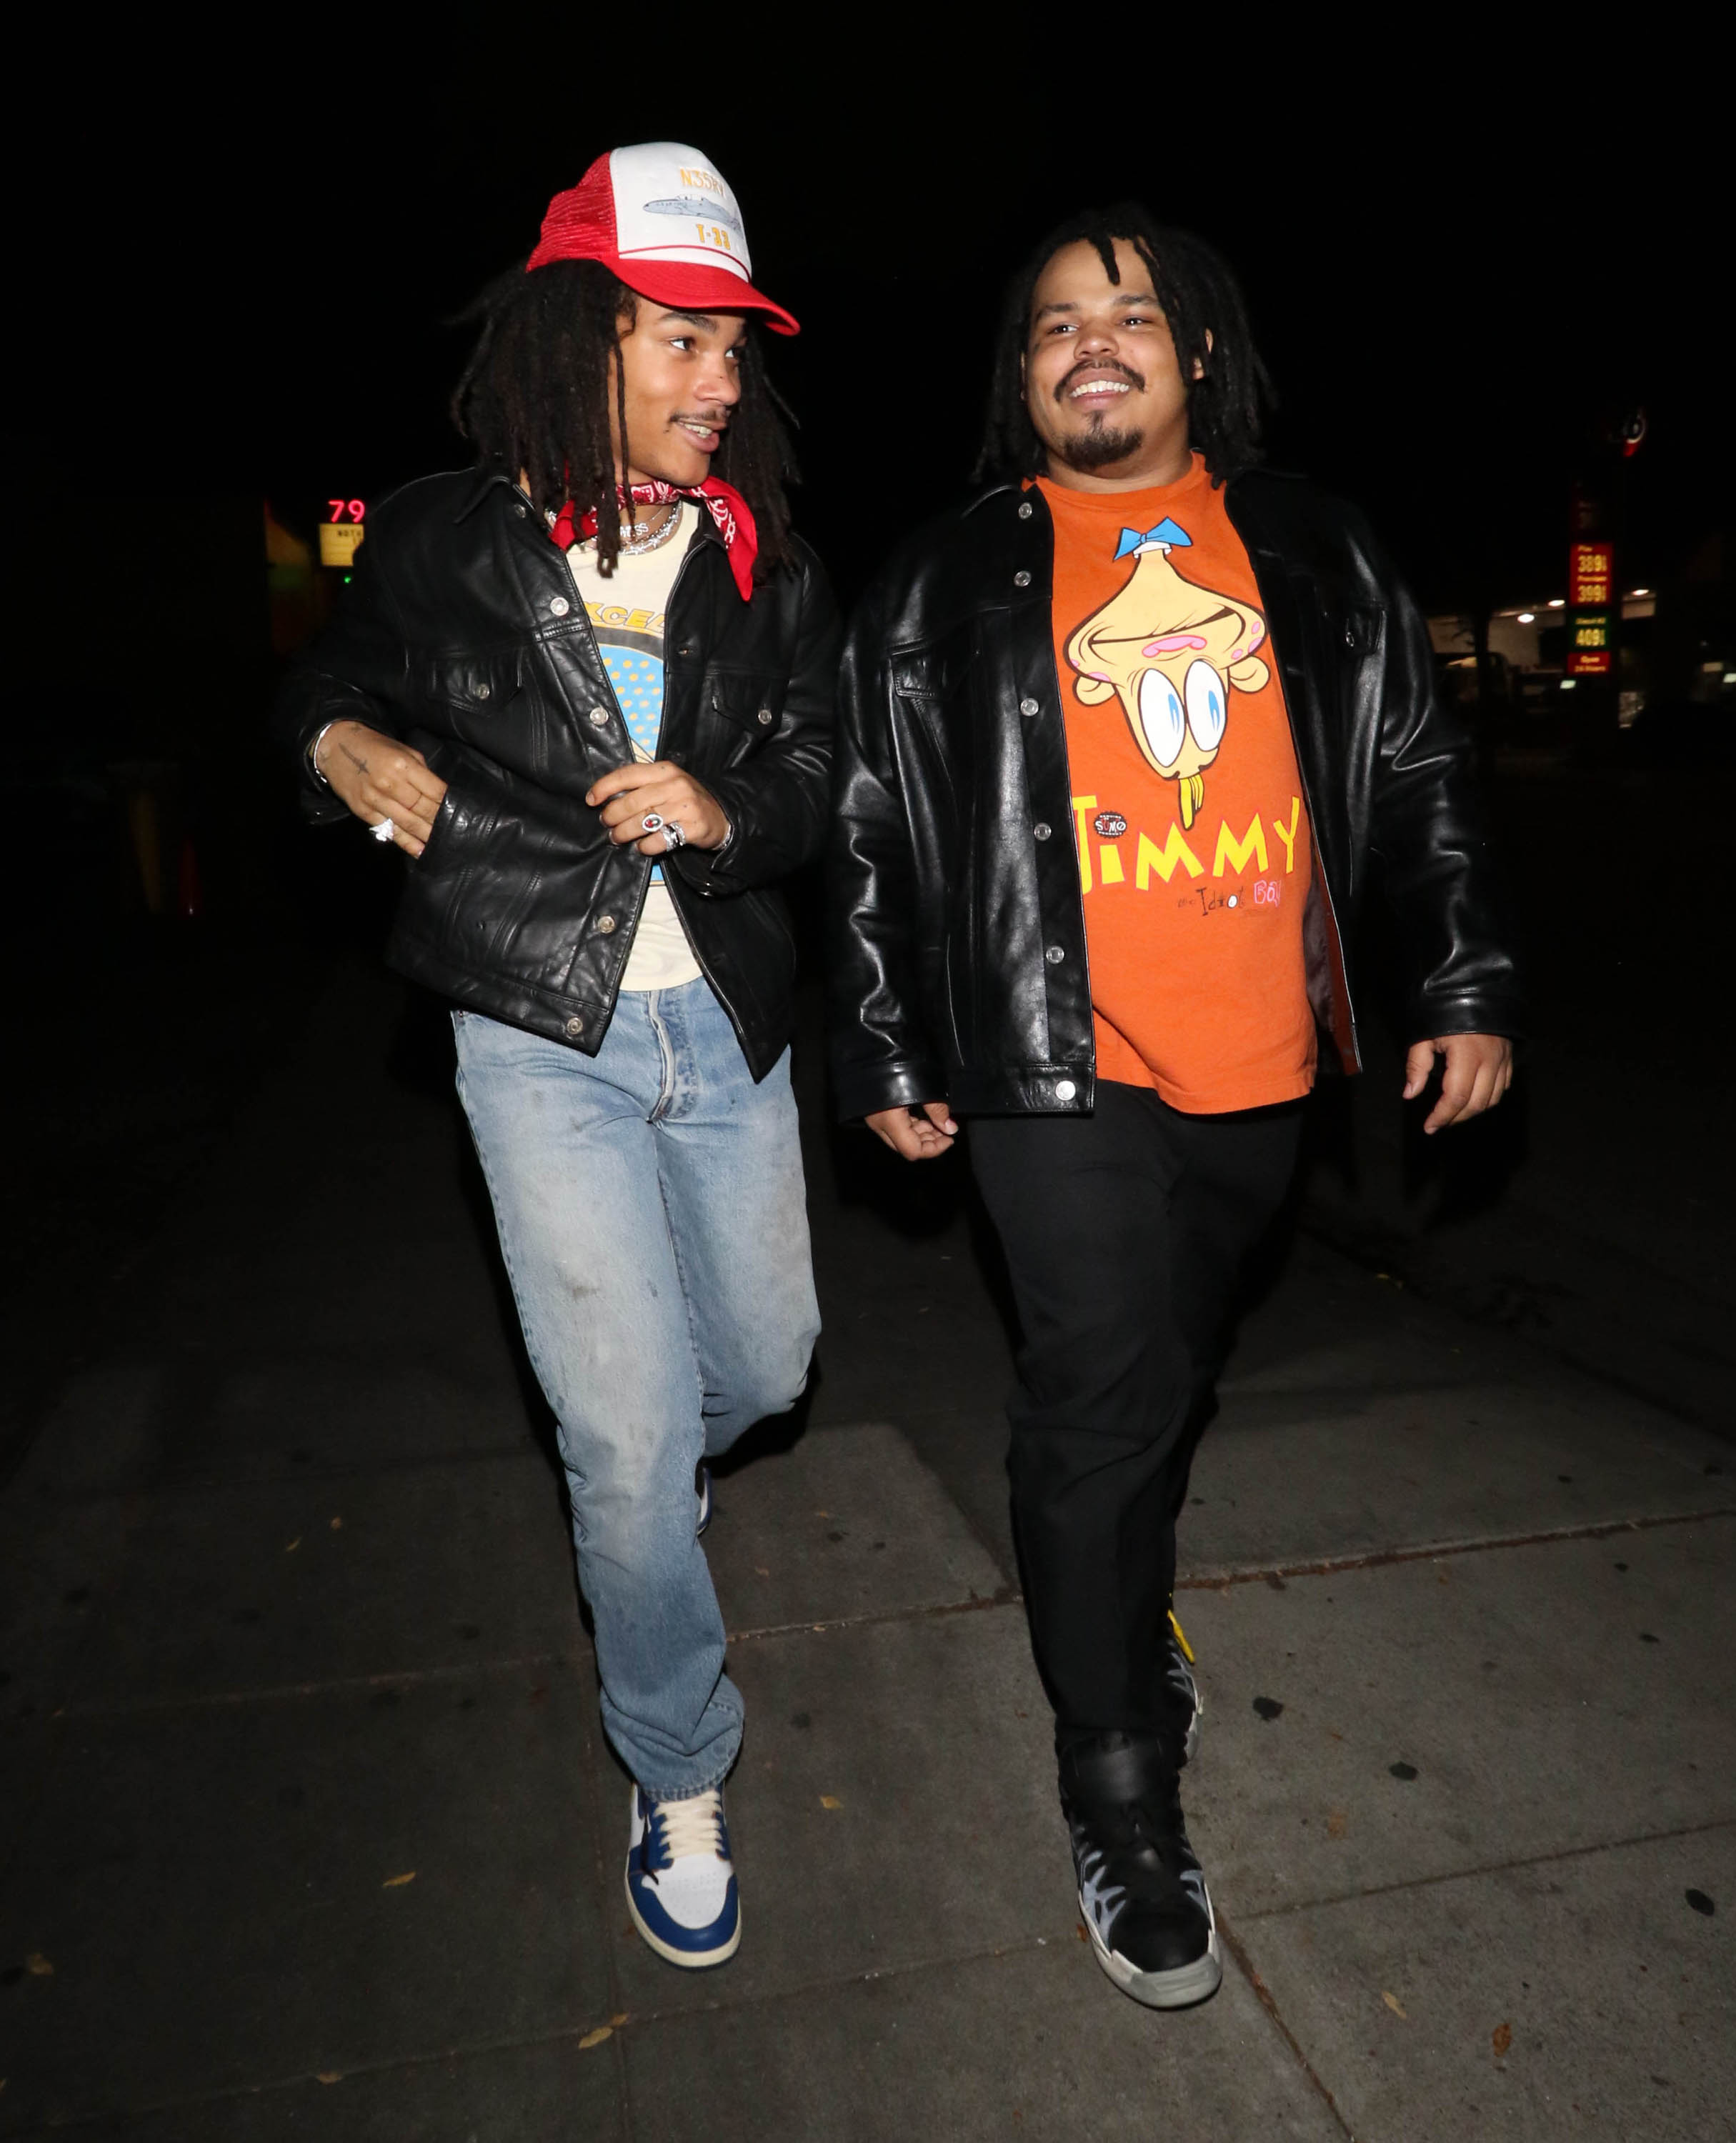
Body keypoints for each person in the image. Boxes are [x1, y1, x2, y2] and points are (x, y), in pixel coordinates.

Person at [829, 206, 1521, 2010]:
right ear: (1026, 373)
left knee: (1168, 1372)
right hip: (1055, 1061)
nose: (1094, 341)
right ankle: (1121, 1790)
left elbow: (1422, 776)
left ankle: (1122, 1609)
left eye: (1129, 312)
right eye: (1058, 322)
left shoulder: (1313, 548)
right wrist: (892, 1041)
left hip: (1261, 1070)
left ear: (1193, 352)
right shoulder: (947, 576)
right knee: (1098, 1397)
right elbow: (872, 832)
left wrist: (1459, 983)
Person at [274, 143, 839, 1971]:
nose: (723, 384)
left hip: (728, 1017)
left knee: (762, 1368)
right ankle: (677, 1764)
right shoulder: (444, 533)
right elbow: (319, 677)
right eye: (685, 343)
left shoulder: (764, 557)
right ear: (586, 336)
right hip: (534, 1028)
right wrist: (336, 752)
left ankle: (636, 1493)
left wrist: (729, 804)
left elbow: (825, 774)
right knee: (619, 1437)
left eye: (734, 350)